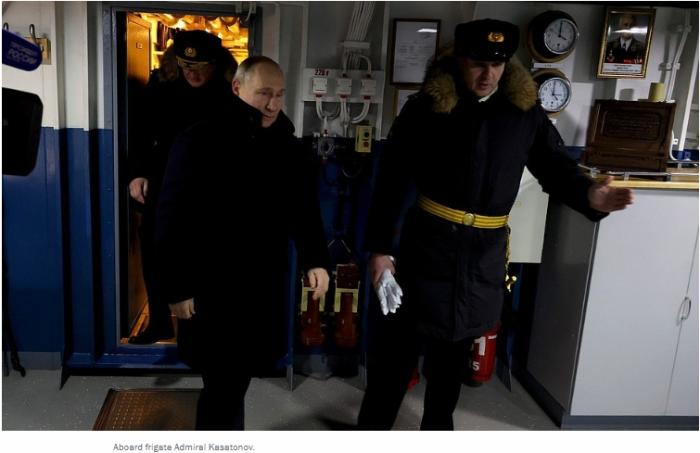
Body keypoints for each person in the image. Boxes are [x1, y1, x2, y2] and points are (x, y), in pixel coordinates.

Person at [357, 19, 634, 430]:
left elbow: (554, 166)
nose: (488, 75)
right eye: (478, 64)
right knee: (395, 361)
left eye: (498, 64)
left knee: (449, 369)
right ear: (459, 60)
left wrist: (589, 194)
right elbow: (391, 182)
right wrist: (380, 250)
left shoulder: (523, 113)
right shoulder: (427, 108)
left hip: (481, 260)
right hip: (425, 253)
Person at [154, 55, 331, 430]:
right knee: (224, 387)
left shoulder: (288, 146)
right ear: (237, 87)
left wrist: (315, 258)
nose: (273, 104)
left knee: (232, 385)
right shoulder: (201, 138)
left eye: (279, 94)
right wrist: (177, 287)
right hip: (212, 287)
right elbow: (171, 217)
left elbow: (303, 209)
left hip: (262, 286)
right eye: (264, 93)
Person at [127, 30, 238, 344]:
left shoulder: (230, 91)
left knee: (207, 254)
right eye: (186, 66)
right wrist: (137, 173)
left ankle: (204, 327)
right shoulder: (162, 85)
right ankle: (160, 322)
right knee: (155, 250)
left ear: (216, 64)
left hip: (210, 187)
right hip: (163, 180)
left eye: (201, 67)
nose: (193, 73)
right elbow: (140, 132)